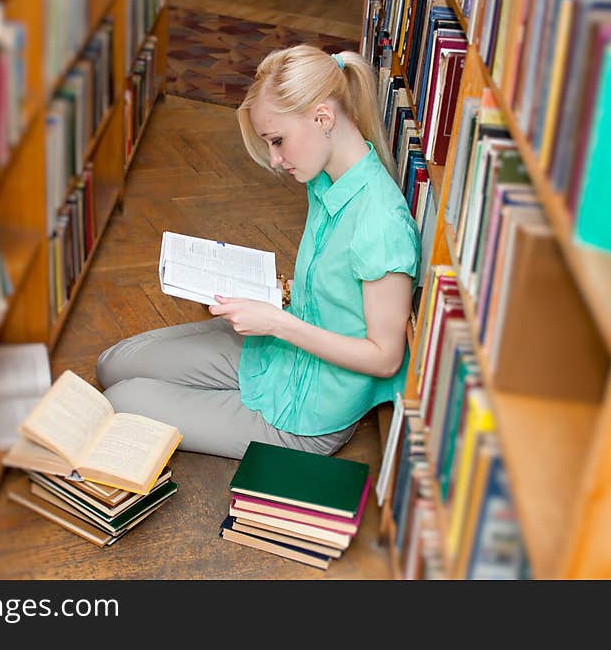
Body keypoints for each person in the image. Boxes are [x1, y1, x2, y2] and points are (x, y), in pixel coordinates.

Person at [97, 44, 420, 460]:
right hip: (275, 357)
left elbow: (385, 358)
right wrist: (275, 296)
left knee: (122, 399)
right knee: (112, 363)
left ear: (323, 118)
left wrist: (277, 323)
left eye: (278, 141)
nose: (275, 158)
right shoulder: (327, 181)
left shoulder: (381, 224)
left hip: (305, 413)